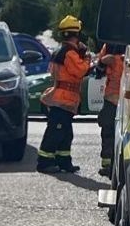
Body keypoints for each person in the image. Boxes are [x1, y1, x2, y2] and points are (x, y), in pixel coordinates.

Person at [36, 15, 92, 174]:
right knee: (56, 131)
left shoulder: (63, 51)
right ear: (76, 34)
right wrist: (87, 58)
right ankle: (44, 162)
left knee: (66, 133)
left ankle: (64, 162)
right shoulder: (69, 53)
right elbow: (81, 71)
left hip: (63, 98)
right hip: (62, 99)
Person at [95, 43, 125, 178]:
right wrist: (102, 61)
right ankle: (107, 165)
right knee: (108, 130)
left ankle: (120, 166)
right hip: (112, 98)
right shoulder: (109, 45)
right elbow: (98, 70)